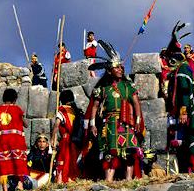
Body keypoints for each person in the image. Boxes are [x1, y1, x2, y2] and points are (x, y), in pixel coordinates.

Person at [88, 40, 145, 182]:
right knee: (110, 152)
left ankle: (129, 179)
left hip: (126, 122)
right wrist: (93, 124)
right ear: (109, 70)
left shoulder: (128, 86)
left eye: (121, 67)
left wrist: (138, 120)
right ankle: (108, 180)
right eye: (116, 67)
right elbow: (95, 106)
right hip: (109, 123)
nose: (120, 69)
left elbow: (136, 103)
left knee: (129, 151)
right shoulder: (103, 88)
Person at [163, 22, 194, 172]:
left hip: (188, 111)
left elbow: (184, 90)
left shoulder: (183, 69)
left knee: (190, 139)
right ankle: (186, 168)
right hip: (182, 112)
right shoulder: (178, 70)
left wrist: (183, 111)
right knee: (181, 141)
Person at [0, 88, 29, 191]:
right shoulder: (17, 109)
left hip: (1, 140)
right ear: (14, 98)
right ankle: (20, 184)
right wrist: (22, 116)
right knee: (18, 161)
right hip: (16, 140)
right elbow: (26, 124)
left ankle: (5, 189)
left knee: (3, 163)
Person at [51, 90, 82, 183]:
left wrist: (53, 139)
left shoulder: (62, 110)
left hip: (66, 139)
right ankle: (71, 178)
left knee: (63, 158)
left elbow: (56, 126)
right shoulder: (76, 110)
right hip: (76, 139)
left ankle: (61, 179)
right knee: (72, 159)